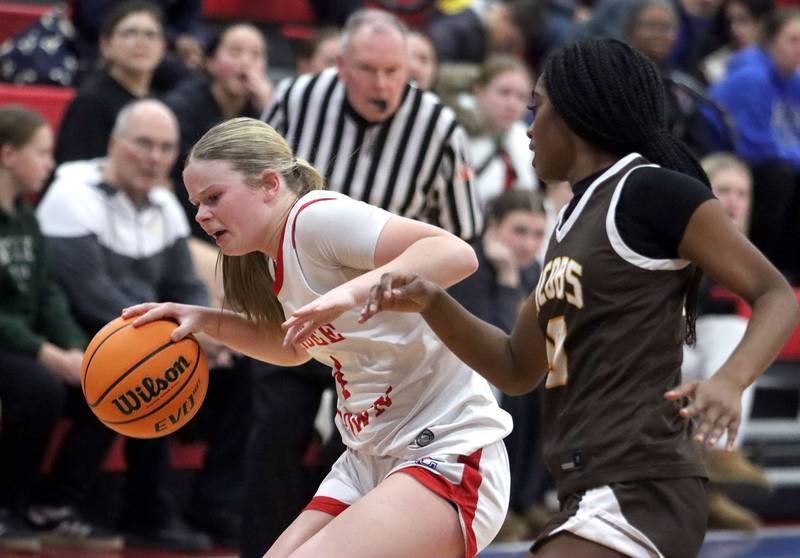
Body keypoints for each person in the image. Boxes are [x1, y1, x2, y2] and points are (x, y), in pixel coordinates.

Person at [360, 38, 799, 558]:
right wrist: (434, 303)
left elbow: (774, 292)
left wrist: (730, 380)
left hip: (641, 480)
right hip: (582, 486)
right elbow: (516, 365)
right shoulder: (570, 221)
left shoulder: (649, 191)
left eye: (536, 108)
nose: (527, 128)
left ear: (575, 113)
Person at [121, 116, 513, 558]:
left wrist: (350, 292)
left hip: (447, 445)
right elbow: (289, 350)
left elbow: (454, 252)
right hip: (368, 453)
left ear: (270, 184)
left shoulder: (316, 218)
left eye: (214, 197)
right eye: (196, 202)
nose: (202, 214)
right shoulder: (272, 257)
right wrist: (206, 319)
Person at [255, 9, 484, 555]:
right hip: (298, 293)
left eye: (393, 70)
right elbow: (254, 190)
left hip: (383, 324)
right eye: (367, 69)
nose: (381, 84)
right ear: (339, 64)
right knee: (273, 436)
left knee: (360, 453)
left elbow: (460, 235)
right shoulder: (296, 100)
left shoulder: (439, 126)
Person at [33, 99, 214, 551]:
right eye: (144, 144)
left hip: (140, 335)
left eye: (166, 148)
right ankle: (65, 504)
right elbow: (90, 296)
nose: (154, 158)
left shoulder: (167, 203)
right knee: (141, 372)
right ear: (115, 143)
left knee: (248, 374)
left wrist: (206, 329)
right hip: (73, 334)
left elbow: (187, 284)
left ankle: (207, 507)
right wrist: (174, 333)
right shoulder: (70, 193)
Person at [0, 106, 122, 553]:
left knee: (109, 378)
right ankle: (8, 504)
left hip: (27, 344)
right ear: (9, 155)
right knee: (40, 389)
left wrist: (75, 348)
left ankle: (54, 507)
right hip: (10, 345)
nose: (51, 165)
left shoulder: (27, 221)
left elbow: (50, 296)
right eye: (43, 153)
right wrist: (43, 353)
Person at [447, 189, 551, 542]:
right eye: (519, 231)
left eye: (538, 234)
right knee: (511, 384)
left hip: (499, 375)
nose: (528, 244)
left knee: (550, 381)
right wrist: (506, 280)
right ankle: (496, 506)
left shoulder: (533, 269)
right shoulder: (472, 266)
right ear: (492, 226)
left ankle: (527, 498)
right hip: (459, 380)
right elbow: (499, 347)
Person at [685, 152, 771, 531]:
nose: (734, 201)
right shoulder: (673, 237)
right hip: (651, 349)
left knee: (737, 335)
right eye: (724, 190)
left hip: (695, 358)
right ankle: (711, 467)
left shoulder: (743, 253)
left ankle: (713, 475)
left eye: (742, 193)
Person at [709, 8, 800, 281]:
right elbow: (756, 147)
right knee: (782, 175)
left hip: (767, 163)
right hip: (721, 160)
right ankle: (769, 268)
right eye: (793, 40)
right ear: (770, 41)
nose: (799, 49)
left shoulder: (793, 80)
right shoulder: (752, 77)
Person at [165, 22, 274, 240]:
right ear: (211, 62)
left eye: (256, 55)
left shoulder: (264, 108)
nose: (246, 62)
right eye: (235, 52)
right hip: (189, 220)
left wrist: (272, 109)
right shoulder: (182, 107)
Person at [55, 0, 166, 165]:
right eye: (129, 33)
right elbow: (75, 171)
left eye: (150, 34)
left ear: (162, 47)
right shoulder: (90, 102)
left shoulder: (160, 104)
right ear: (105, 45)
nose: (141, 42)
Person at [465, 54, 538, 210]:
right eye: (504, 92)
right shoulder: (458, 133)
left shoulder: (525, 139)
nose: (512, 104)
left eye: (521, 97)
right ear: (478, 91)